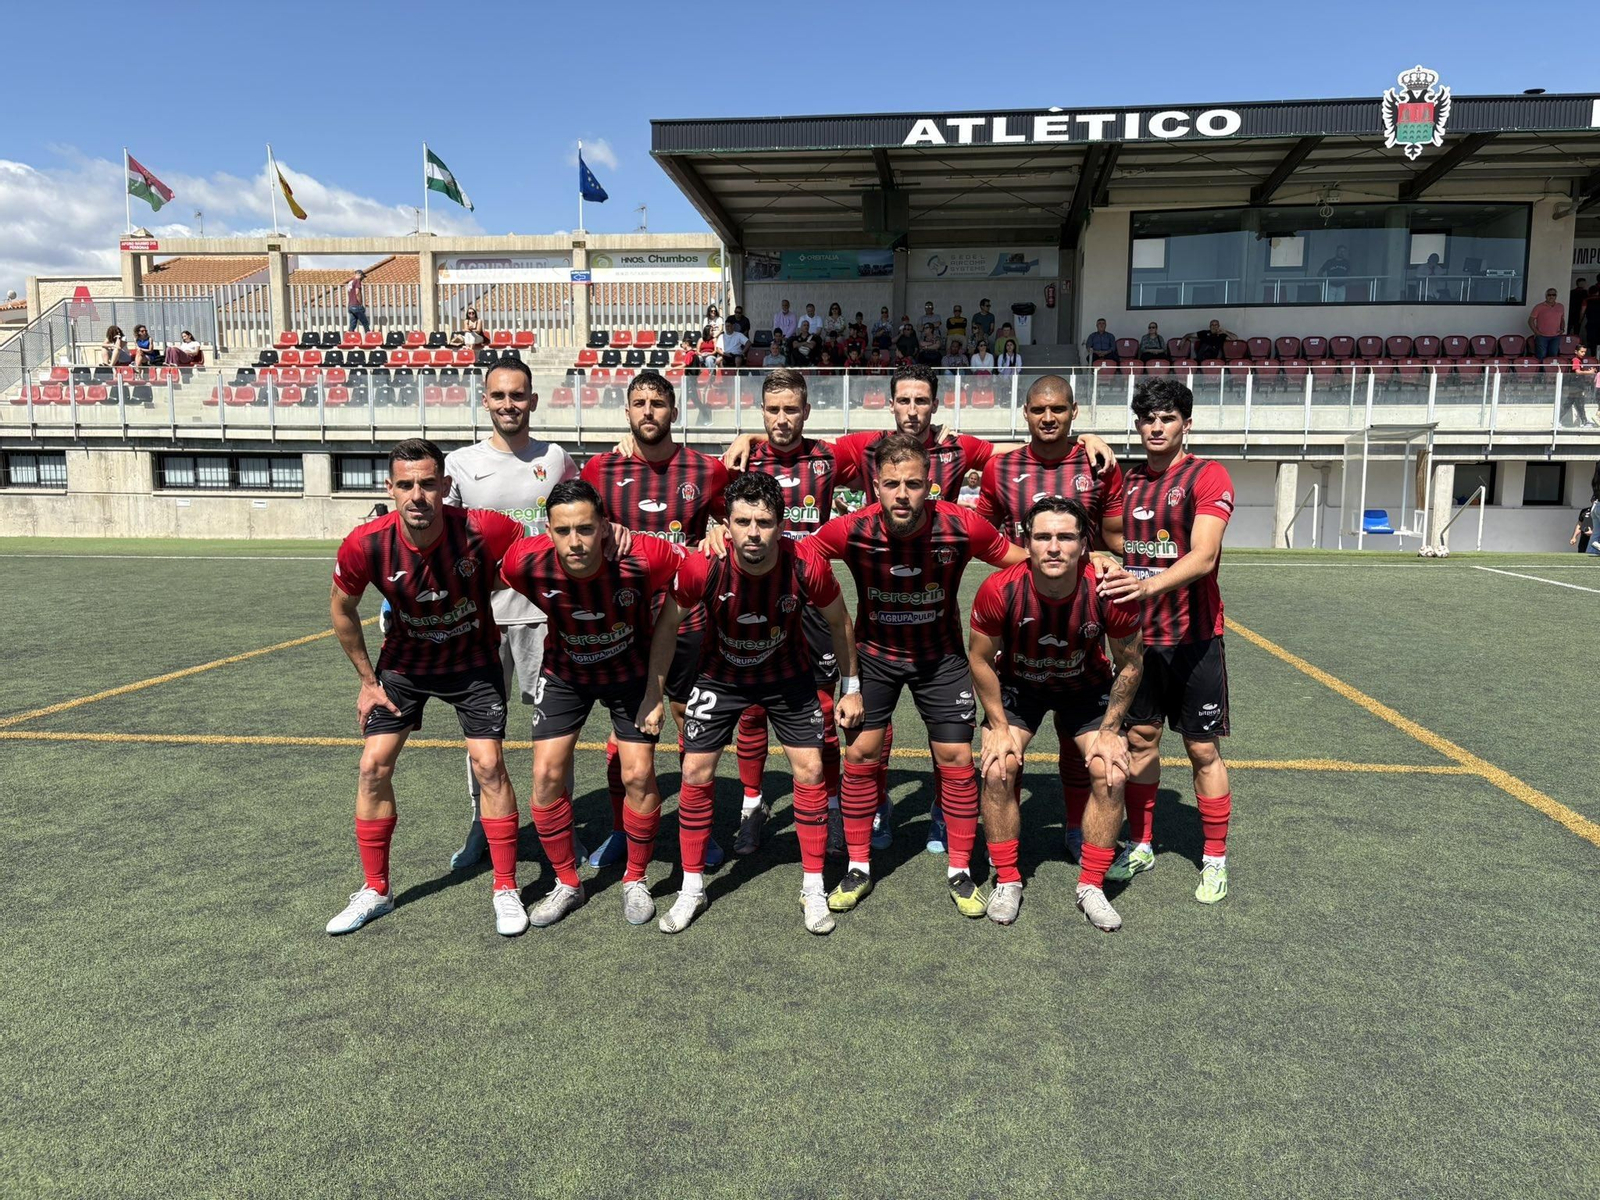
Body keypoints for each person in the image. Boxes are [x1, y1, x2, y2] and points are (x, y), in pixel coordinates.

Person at [803, 433, 1025, 916]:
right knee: (860, 753)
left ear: (932, 486)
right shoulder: (851, 528)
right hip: (874, 658)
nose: (902, 493)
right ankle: (859, 864)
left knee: (955, 757)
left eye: (913, 483)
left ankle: (961, 870)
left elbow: (1025, 562)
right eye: (891, 484)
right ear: (874, 487)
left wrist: (1088, 558)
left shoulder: (962, 526)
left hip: (940, 660)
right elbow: (800, 556)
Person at [639, 471, 863, 934]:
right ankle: (692, 890)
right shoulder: (705, 565)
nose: (753, 532)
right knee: (695, 773)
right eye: (742, 521)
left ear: (781, 524)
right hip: (721, 679)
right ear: (727, 522)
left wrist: (852, 686)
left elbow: (840, 622)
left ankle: (814, 888)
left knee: (812, 771)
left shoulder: (806, 565)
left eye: (763, 521)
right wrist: (653, 695)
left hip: (788, 678)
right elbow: (666, 628)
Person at [326, 439, 529, 937]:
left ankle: (506, 886)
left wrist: (493, 588)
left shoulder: (484, 529)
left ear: (445, 486)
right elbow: (341, 609)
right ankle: (376, 889)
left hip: (472, 662)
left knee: (488, 765)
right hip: (405, 665)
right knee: (373, 765)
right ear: (390, 489)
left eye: (428, 483)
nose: (418, 495)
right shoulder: (365, 543)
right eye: (406, 484)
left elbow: (530, 557)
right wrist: (368, 682)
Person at [498, 481, 686, 927]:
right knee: (545, 775)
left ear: (604, 526)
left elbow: (692, 571)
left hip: (630, 674)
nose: (575, 542)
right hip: (566, 674)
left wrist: (655, 692)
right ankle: (567, 883)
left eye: (586, 528)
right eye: (563, 531)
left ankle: (634, 879)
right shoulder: (525, 564)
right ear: (548, 530)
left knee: (638, 774)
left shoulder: (644, 557)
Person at [969, 496, 1144, 929]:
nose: (1053, 547)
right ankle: (1008, 879)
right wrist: (996, 725)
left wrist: (1110, 729)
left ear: (1085, 544)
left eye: (1065, 537)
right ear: (1025, 542)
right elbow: (979, 658)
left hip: (1084, 688)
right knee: (997, 767)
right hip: (1020, 687)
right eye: (1042, 536)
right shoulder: (999, 589)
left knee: (1112, 770)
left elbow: (1131, 662)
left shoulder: (1109, 590)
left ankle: (1091, 885)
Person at [1098, 376, 1237, 905]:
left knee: (1202, 748)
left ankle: (1215, 860)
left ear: (1186, 424)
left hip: (1194, 637)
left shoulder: (1207, 475)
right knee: (1140, 742)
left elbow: (1203, 557)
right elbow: (1098, 526)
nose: (1156, 427)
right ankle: (1141, 842)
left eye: (1167, 418)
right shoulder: (1128, 481)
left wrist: (1145, 584)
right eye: (1148, 419)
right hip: (1138, 642)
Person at [582, 371, 731, 867]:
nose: (649, 411)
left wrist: (719, 532)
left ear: (674, 411)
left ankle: (699, 832)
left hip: (687, 617)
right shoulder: (599, 469)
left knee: (692, 722)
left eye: (658, 403)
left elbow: (731, 517)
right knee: (623, 734)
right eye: (639, 403)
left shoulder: (705, 470)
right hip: (624, 621)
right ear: (627, 413)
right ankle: (624, 831)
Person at [976, 374, 1127, 861]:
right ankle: (1004, 864)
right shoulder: (1003, 468)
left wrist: (1103, 558)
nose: (1048, 418)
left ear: (1074, 412)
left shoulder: (1098, 462)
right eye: (1039, 410)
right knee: (999, 761)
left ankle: (1075, 828)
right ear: (1025, 413)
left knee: (1077, 736)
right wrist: (1025, 567)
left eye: (1058, 410)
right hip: (1026, 605)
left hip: (1082, 607)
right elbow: (982, 531)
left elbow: (1112, 535)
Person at [441, 359, 581, 872]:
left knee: (556, 731)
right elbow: (439, 537)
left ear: (533, 401)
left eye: (518, 395)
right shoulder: (459, 463)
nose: (508, 404)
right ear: (486, 401)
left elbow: (585, 517)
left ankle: (561, 828)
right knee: (482, 736)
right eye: (499, 395)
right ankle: (482, 825)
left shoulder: (558, 458)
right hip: (479, 622)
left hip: (547, 618)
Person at [729, 369, 861, 848]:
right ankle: (751, 803)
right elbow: (705, 507)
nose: (782, 419)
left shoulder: (829, 455)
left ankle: (829, 805)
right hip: (753, 599)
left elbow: (900, 437)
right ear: (761, 411)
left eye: (791, 409)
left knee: (822, 708)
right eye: (772, 410)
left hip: (810, 598)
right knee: (751, 709)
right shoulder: (741, 459)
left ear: (807, 411)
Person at [1529, 288, 1566, 361]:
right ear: (1546, 296)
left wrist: (1562, 329)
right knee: (1541, 356)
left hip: (1555, 336)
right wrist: (1536, 332)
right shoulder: (1539, 307)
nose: (1551, 296)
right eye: (1549, 295)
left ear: (1556, 296)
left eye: (1553, 295)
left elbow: (1562, 319)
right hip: (1542, 336)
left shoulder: (1560, 306)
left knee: (1553, 356)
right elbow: (1530, 321)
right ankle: (1541, 372)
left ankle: (1550, 372)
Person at [1567, 345, 1597, 427]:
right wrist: (1589, 372)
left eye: (1584, 352)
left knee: (1578, 403)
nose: (1583, 353)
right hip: (1575, 385)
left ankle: (1584, 421)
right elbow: (1577, 371)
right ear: (1576, 352)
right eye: (1582, 351)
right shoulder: (1576, 360)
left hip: (1578, 385)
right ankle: (1558, 420)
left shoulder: (1580, 360)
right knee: (1571, 403)